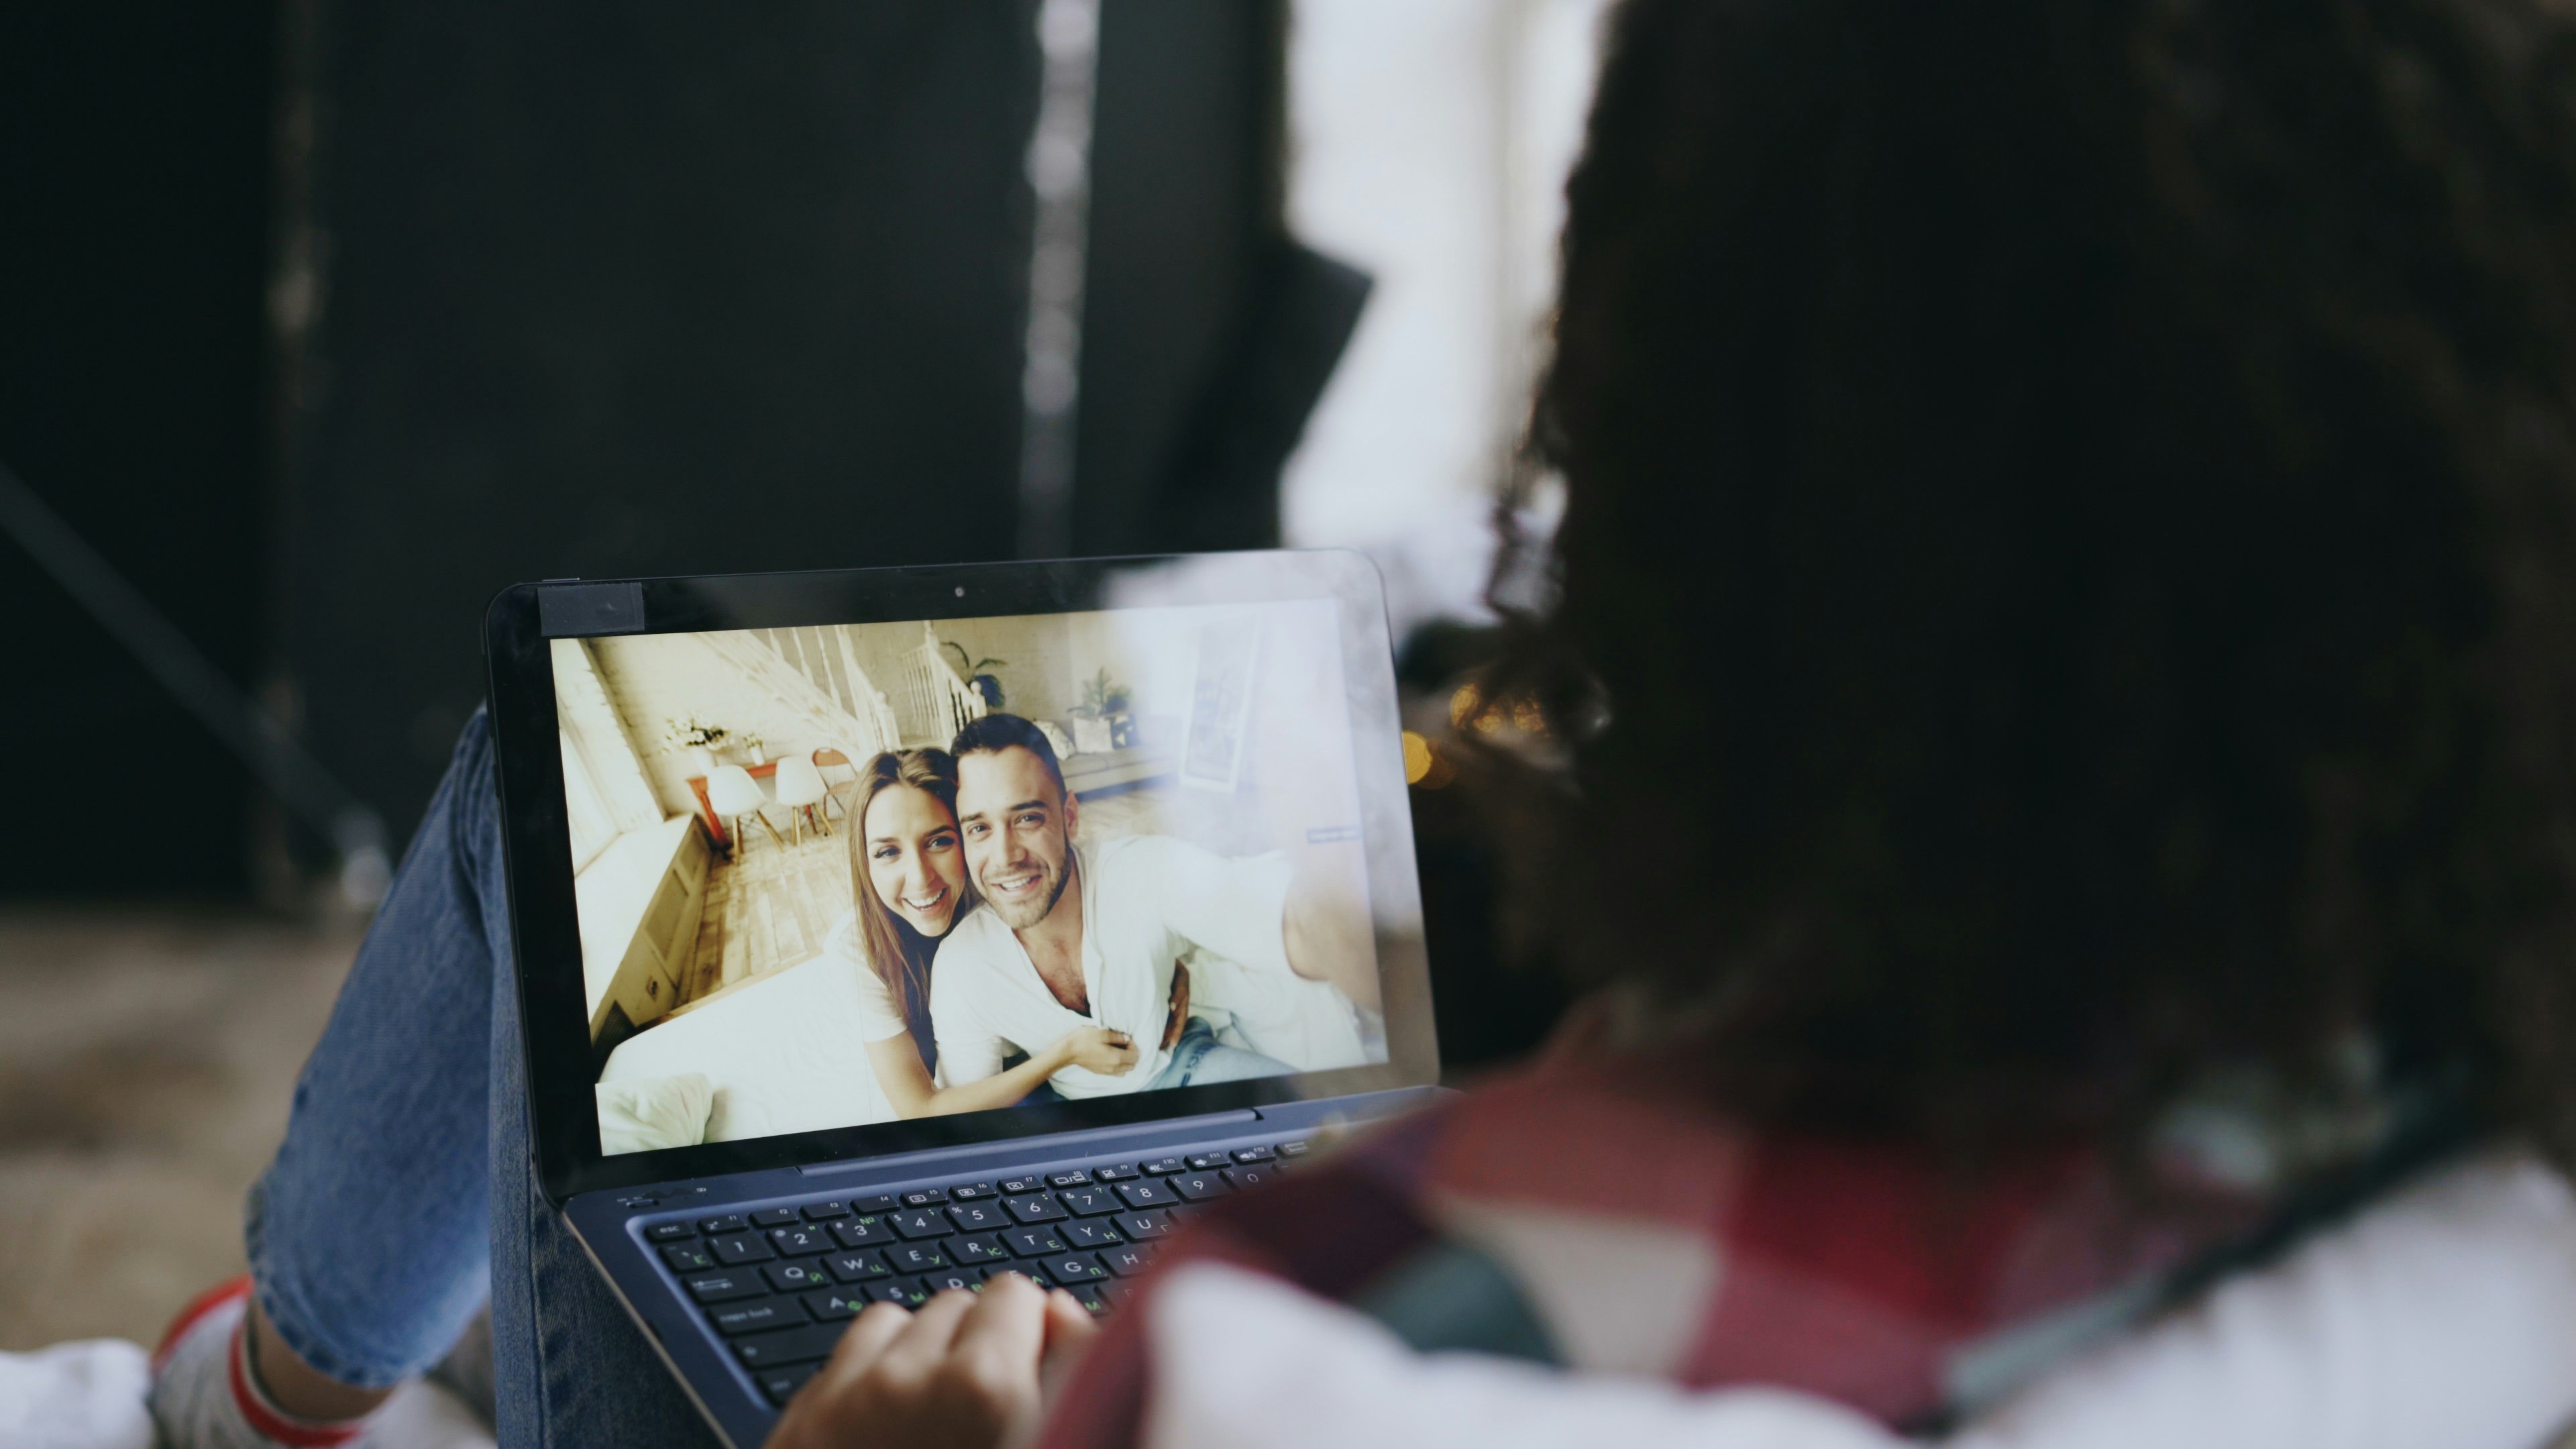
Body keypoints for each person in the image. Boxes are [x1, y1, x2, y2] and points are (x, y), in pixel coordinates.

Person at [926, 713, 1366, 1099]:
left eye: (1027, 818)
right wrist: (1059, 1058)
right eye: (979, 828)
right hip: (1082, 1127)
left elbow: (1287, 928)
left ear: (1070, 818)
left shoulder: (1143, 870)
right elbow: (967, 1112)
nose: (1005, 857)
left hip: (1187, 1065)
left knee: (1324, 1122)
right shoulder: (964, 966)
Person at [822, 747, 1141, 1118]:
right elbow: (918, 1109)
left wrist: (1167, 966)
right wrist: (1062, 1055)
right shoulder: (854, 949)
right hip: (987, 1086)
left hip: (1034, 1050)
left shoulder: (1002, 883)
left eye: (939, 842)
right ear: (864, 861)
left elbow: (1083, 887)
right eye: (888, 853)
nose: (921, 878)